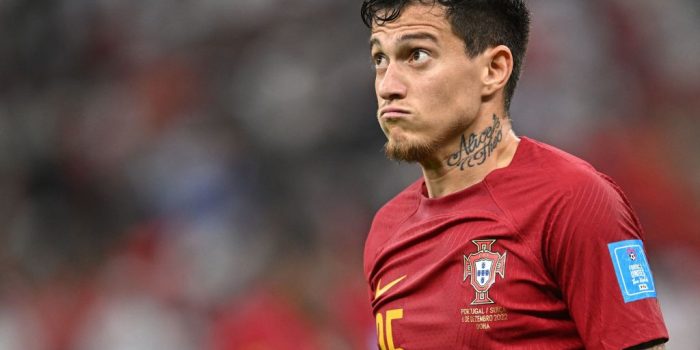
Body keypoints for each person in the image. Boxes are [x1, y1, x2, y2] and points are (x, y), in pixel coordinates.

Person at [360, 0, 669, 349]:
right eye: (379, 60)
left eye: (417, 55)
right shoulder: (386, 231)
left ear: (493, 69)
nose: (388, 86)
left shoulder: (573, 201)